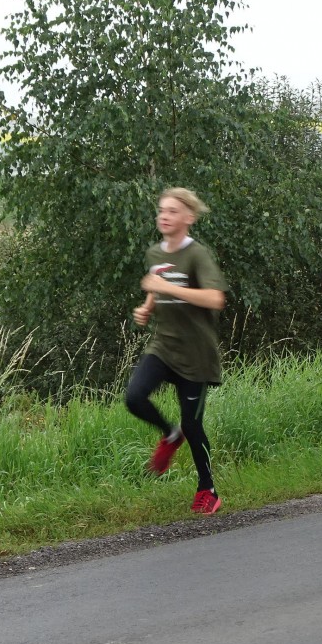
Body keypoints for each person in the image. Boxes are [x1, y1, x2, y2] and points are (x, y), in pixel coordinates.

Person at [126, 187, 228, 515]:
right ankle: (170, 435)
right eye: (161, 210)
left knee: (193, 425)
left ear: (189, 217)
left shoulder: (197, 255)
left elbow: (215, 299)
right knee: (134, 397)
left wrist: (165, 287)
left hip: (196, 354)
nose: (164, 216)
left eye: (172, 211)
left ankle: (207, 489)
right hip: (163, 346)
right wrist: (147, 307)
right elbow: (158, 283)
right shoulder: (155, 253)